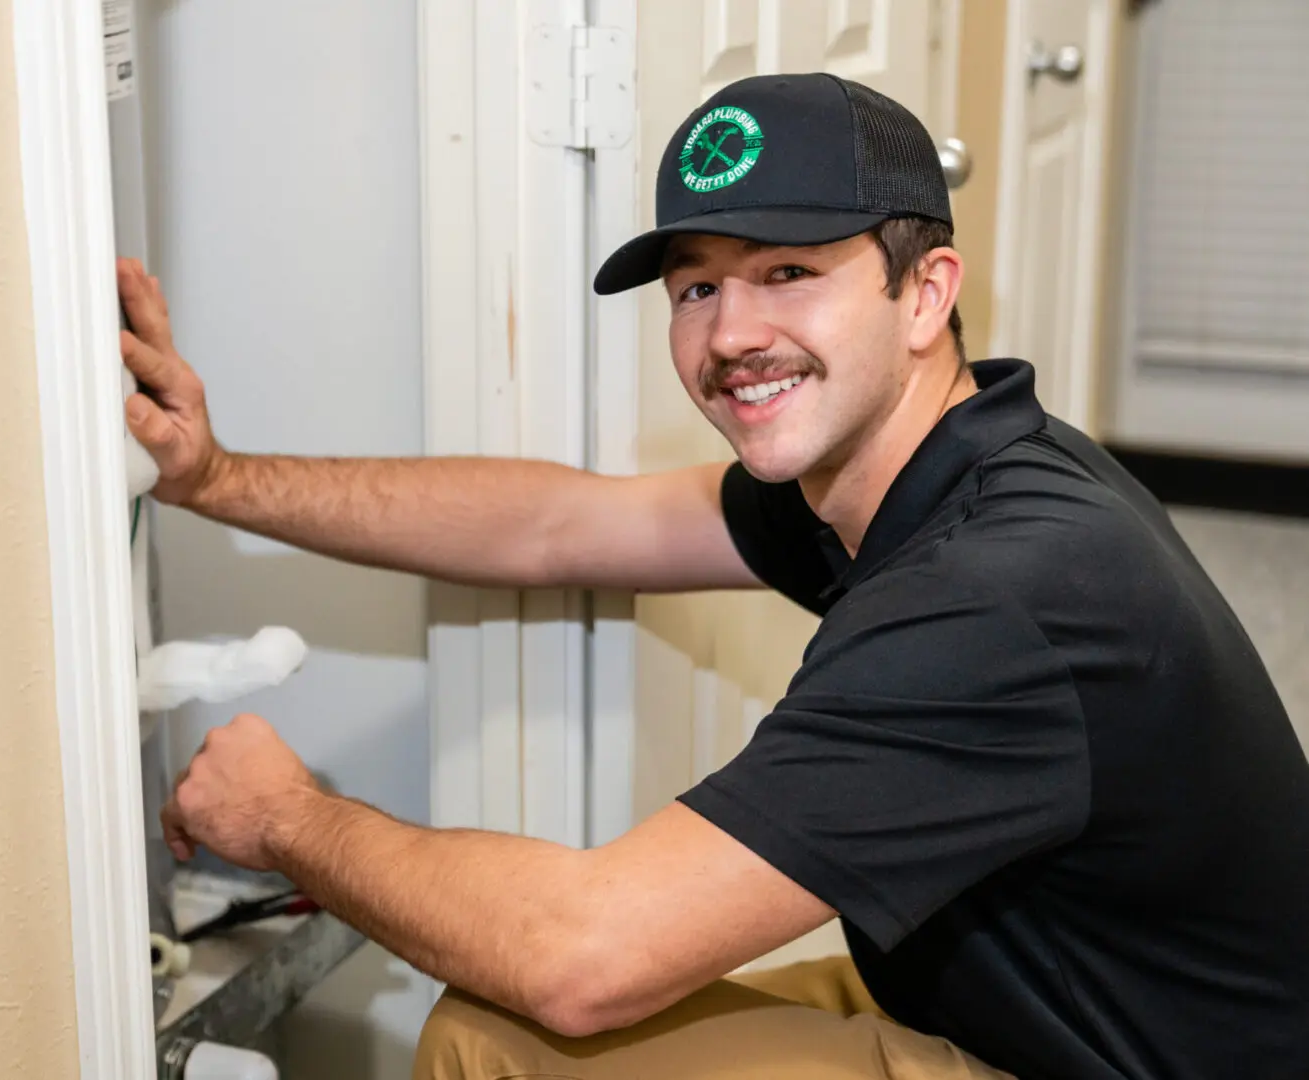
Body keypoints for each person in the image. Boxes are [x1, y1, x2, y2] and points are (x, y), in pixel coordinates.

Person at [118, 74, 1309, 1080]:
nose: (729, 332)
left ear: (924, 294)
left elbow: (582, 958)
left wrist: (285, 816)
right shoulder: (928, 459)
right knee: (505, 1016)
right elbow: (560, 527)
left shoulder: (994, 595)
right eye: (696, 286)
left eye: (787, 270)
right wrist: (216, 476)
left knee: (514, 1034)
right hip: (1022, 1000)